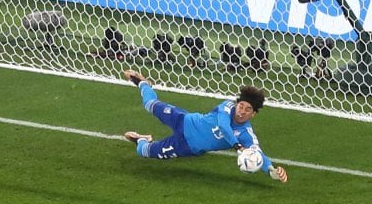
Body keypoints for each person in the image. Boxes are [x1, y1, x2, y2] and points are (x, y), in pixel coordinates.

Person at [118, 70, 289, 182]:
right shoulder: (227, 107)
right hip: (184, 120)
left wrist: (272, 170)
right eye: (241, 106)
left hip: (186, 146)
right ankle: (142, 83)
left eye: (248, 109)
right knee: (150, 104)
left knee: (143, 151)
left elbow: (258, 153)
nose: (242, 111)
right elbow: (223, 126)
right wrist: (237, 147)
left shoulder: (246, 134)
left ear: (253, 114)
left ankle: (142, 139)